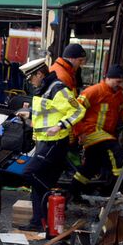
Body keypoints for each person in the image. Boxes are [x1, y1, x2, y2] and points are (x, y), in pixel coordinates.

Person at [18, 58, 86, 232]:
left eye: (31, 77)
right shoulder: (43, 89)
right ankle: (38, 222)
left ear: (40, 74)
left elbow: (78, 110)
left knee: (29, 173)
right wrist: (29, 114)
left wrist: (60, 126)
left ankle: (55, 194)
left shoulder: (58, 88)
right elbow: (47, 111)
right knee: (36, 183)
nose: (30, 81)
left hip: (55, 143)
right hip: (43, 142)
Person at [69, 64, 123, 199]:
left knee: (91, 166)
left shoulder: (118, 94)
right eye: (118, 82)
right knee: (115, 150)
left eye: (121, 82)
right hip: (90, 131)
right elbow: (74, 112)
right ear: (108, 78)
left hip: (103, 134)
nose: (120, 85)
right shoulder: (93, 91)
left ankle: (73, 193)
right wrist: (79, 132)